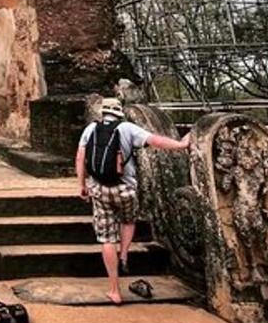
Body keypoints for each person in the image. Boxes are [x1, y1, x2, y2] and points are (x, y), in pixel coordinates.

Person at [76, 98, 190, 305]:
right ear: (120, 112)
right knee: (128, 221)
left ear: (102, 112)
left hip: (99, 189)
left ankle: (114, 290)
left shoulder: (91, 128)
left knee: (107, 239)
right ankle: (125, 255)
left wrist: (82, 185)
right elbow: (156, 141)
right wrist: (181, 144)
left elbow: (80, 158)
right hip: (125, 189)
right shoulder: (127, 128)